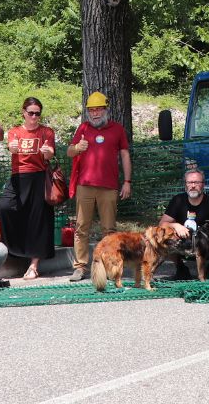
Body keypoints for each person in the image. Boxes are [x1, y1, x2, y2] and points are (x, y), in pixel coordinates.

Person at [67, 91, 131, 282]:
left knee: (109, 229)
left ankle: (109, 265)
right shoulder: (83, 128)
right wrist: (77, 148)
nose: (95, 113)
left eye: (99, 110)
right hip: (84, 186)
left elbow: (125, 155)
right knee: (81, 228)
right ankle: (80, 267)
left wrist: (127, 181)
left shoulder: (117, 129)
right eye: (92, 110)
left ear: (106, 110)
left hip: (109, 186)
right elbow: (70, 151)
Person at [0, 96, 56, 280]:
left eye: (37, 113)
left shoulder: (46, 132)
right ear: (23, 113)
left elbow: (50, 153)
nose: (33, 117)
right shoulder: (15, 131)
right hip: (18, 176)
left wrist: (47, 153)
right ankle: (12, 252)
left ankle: (34, 265)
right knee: (4, 208)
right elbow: (12, 147)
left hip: (38, 177)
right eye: (30, 113)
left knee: (38, 219)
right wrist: (12, 148)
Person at [158, 168, 209, 280]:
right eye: (190, 182)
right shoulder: (178, 200)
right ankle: (181, 269)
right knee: (162, 239)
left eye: (196, 182)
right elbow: (162, 224)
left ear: (203, 185)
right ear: (185, 185)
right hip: (183, 243)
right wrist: (176, 226)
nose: (193, 185)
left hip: (205, 246)